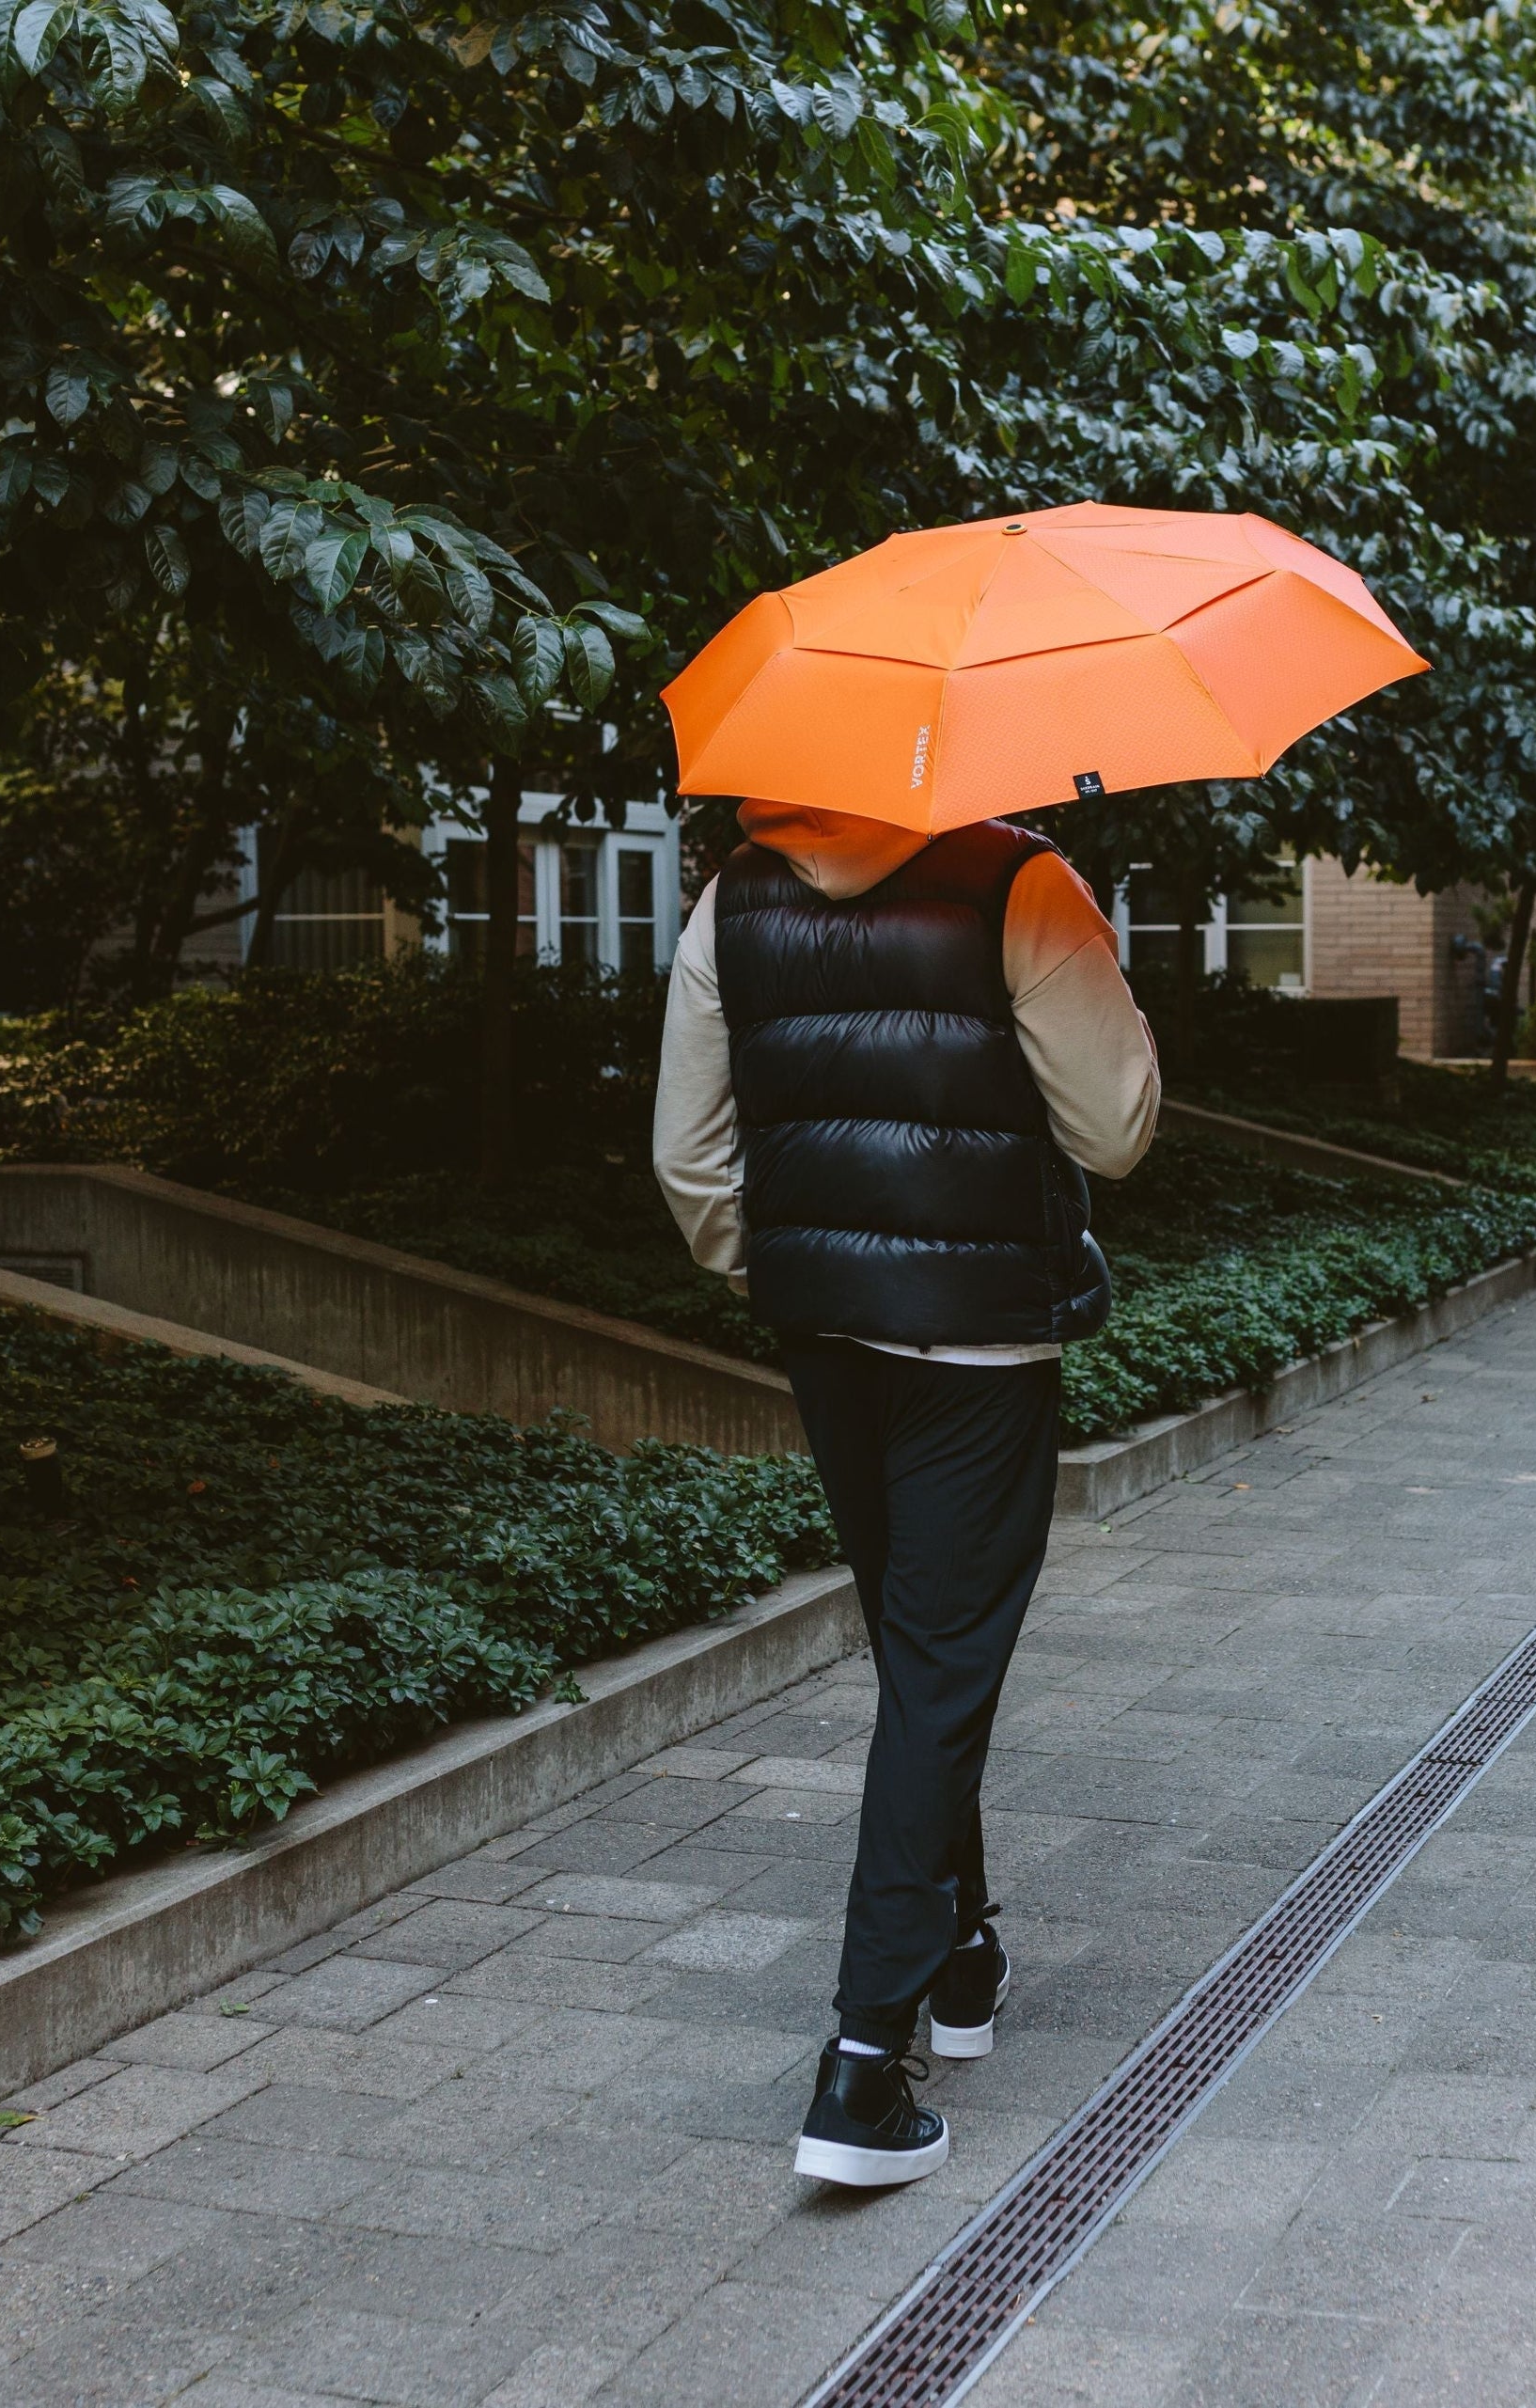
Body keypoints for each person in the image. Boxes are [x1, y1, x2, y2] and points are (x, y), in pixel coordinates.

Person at [653, 799, 1159, 2187]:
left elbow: (691, 1165)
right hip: (979, 1342)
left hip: (827, 1336)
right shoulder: (1024, 885)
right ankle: (865, 2067)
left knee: (922, 1653)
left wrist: (792, 1267)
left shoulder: (731, 902)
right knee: (938, 1664)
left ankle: (963, 1953)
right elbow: (1115, 1130)